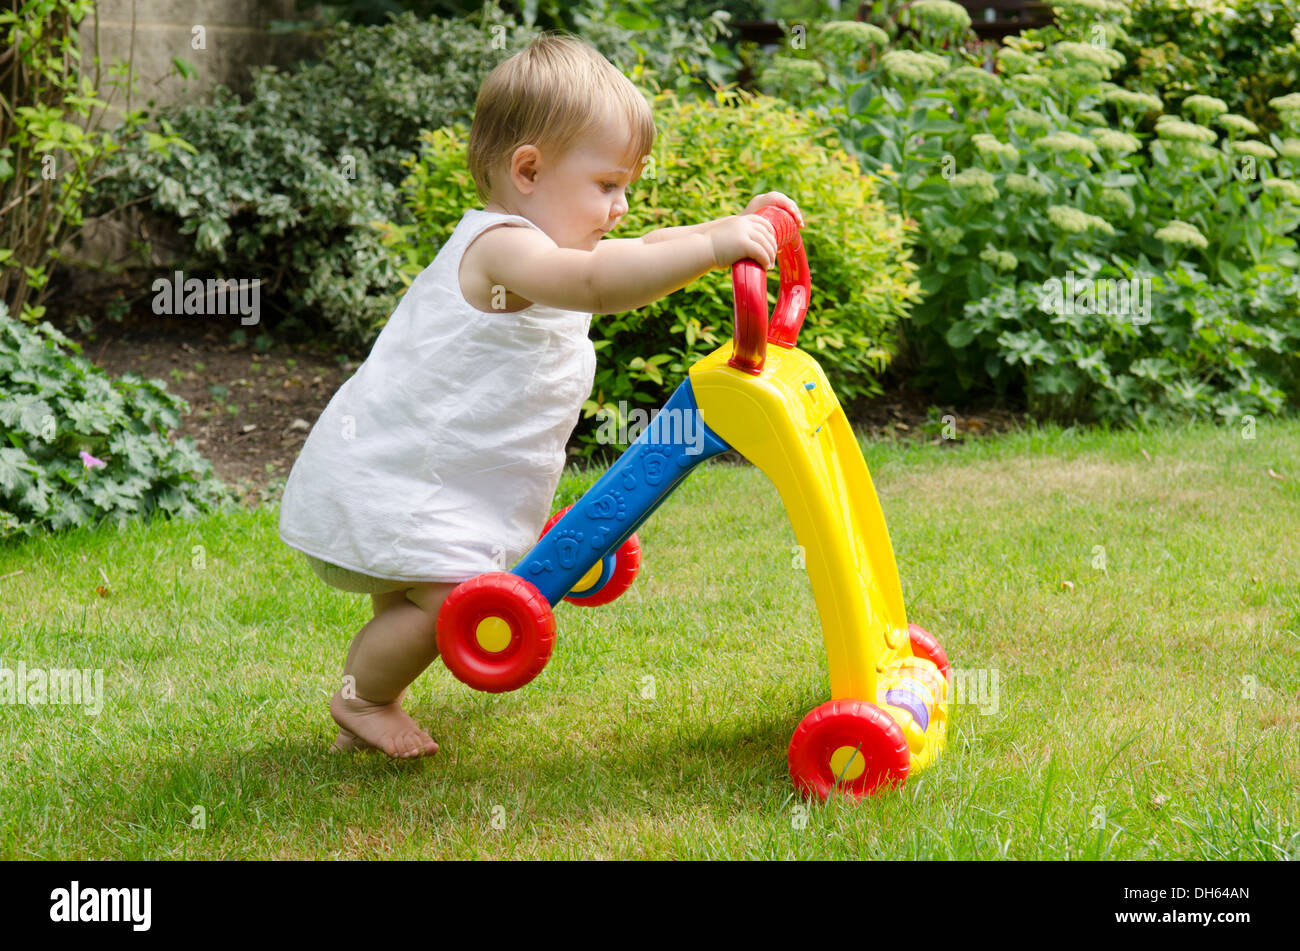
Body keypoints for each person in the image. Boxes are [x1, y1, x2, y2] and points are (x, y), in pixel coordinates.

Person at [278, 31, 803, 758]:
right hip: (398, 478)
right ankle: (364, 700)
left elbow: (642, 251)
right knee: (444, 604)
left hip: (424, 477)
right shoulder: (505, 251)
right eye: (608, 185)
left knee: (418, 592)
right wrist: (716, 253)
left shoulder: (543, 248)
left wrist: (724, 229)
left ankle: (376, 697)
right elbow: (596, 284)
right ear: (528, 168)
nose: (620, 207)